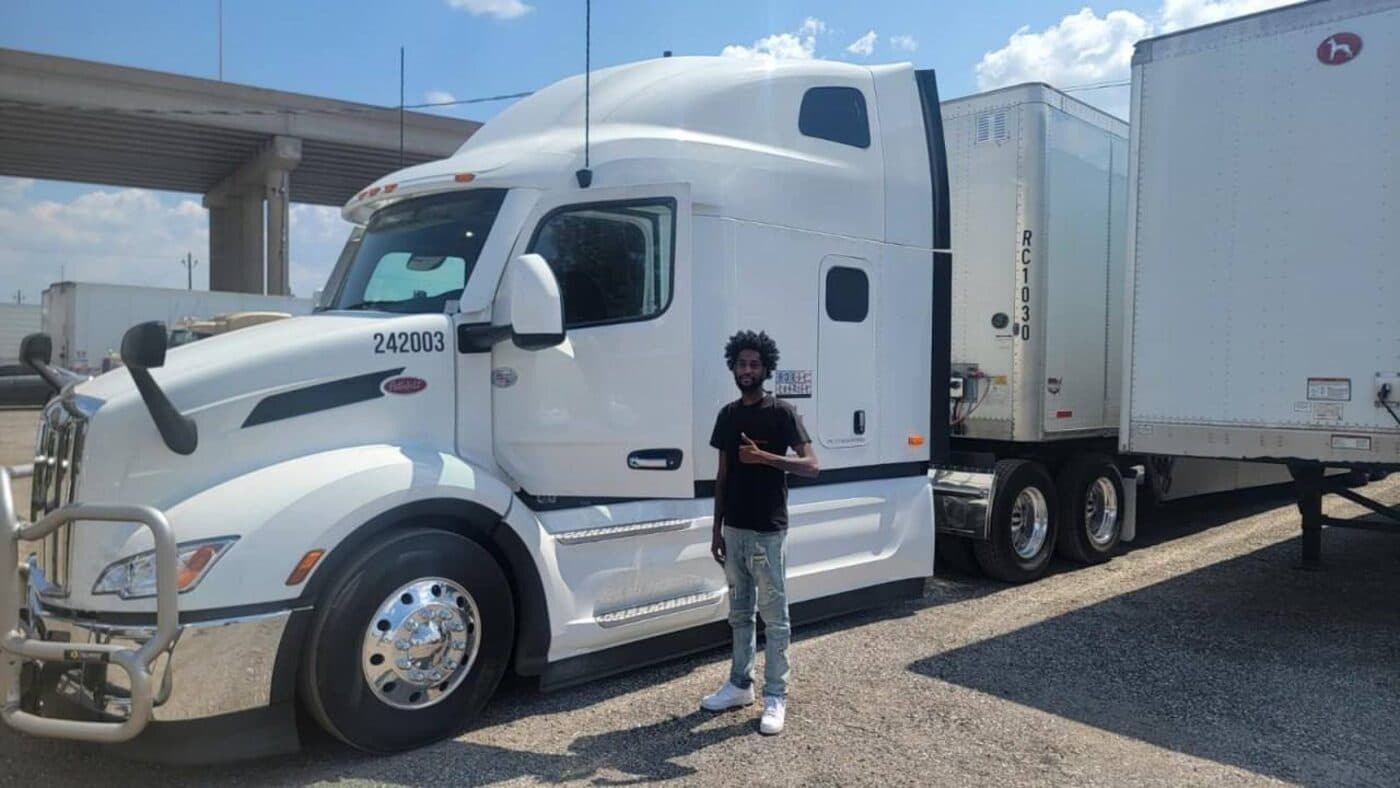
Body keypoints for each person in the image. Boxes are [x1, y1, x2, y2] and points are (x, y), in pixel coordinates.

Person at [700, 330, 819, 735]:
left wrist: (765, 457)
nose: (747, 370)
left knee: (775, 618)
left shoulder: (782, 413)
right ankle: (739, 685)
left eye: (754, 364)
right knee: (739, 613)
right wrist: (715, 529)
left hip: (768, 530)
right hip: (734, 528)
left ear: (766, 368)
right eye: (741, 363)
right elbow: (723, 474)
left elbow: (812, 465)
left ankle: (775, 696)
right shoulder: (728, 415)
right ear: (733, 366)